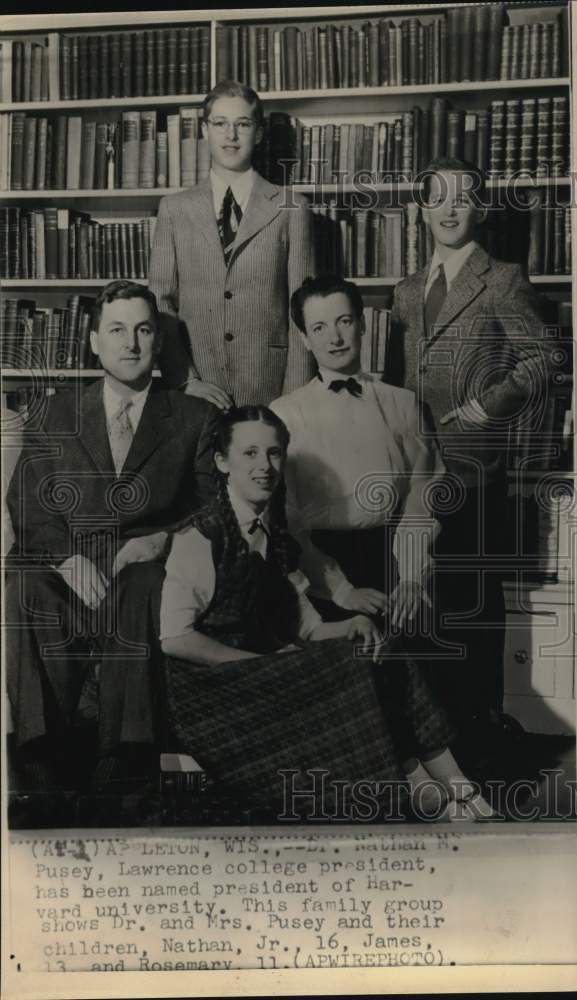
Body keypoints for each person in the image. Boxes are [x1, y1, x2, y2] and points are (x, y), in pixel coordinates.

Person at [159, 405, 494, 821]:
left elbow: (307, 626)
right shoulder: (201, 534)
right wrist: (257, 665)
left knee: (378, 646)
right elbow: (175, 638)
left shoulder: (273, 531)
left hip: (262, 670)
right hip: (213, 694)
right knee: (349, 665)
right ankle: (421, 789)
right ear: (222, 462)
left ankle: (457, 787)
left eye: (274, 453)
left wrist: (349, 623)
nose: (265, 466)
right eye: (249, 454)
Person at [6, 279, 219, 797]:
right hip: (72, 565)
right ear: (94, 341)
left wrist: (165, 540)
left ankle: (119, 758)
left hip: (146, 564)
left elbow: (217, 507)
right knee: (24, 591)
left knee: (145, 584)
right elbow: (27, 502)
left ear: (158, 342)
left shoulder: (195, 417)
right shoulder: (54, 413)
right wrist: (64, 559)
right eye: (117, 330)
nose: (131, 343)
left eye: (143, 330)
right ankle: (37, 755)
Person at [387, 156, 549, 722]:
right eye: (438, 197)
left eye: (462, 197)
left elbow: (545, 361)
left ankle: (481, 742)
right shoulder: (406, 292)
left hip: (476, 475)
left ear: (478, 207)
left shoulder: (502, 278)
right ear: (423, 208)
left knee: (470, 613)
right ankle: (433, 742)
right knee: (416, 606)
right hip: (412, 476)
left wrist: (486, 405)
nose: (450, 208)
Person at [270, 274, 445, 634]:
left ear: (363, 325)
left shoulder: (404, 404)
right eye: (319, 327)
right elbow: (285, 522)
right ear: (304, 338)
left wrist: (412, 578)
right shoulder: (284, 414)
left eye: (344, 322)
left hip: (394, 564)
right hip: (317, 572)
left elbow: (419, 502)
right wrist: (340, 590)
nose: (334, 338)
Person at [149, 80, 316, 410]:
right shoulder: (174, 208)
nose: (231, 135)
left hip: (270, 393)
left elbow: (304, 311)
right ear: (204, 130)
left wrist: (295, 401)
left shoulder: (292, 208)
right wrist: (185, 380)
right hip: (198, 393)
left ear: (259, 133)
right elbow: (160, 303)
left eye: (243, 124)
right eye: (220, 124)